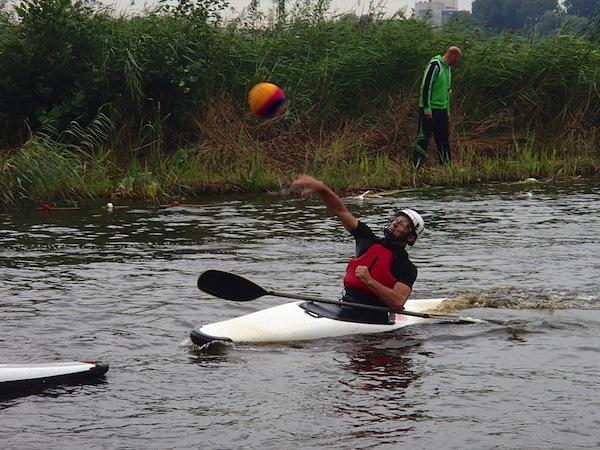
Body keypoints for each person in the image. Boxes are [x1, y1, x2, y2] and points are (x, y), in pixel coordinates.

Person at [292, 174, 425, 324]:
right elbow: (340, 211)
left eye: (403, 224)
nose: (395, 223)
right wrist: (323, 188)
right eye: (396, 219)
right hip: (347, 305)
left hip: (375, 318)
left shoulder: (407, 267)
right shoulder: (367, 239)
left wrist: (370, 281)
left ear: (411, 238)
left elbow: (397, 303)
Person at [413, 45, 462, 169]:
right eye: (457, 59)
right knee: (423, 137)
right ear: (453, 55)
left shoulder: (448, 69)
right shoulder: (435, 65)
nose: (457, 62)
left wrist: (448, 111)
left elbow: (447, 92)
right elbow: (425, 87)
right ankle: (417, 166)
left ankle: (445, 166)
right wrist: (426, 108)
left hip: (442, 109)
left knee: (443, 139)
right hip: (429, 109)